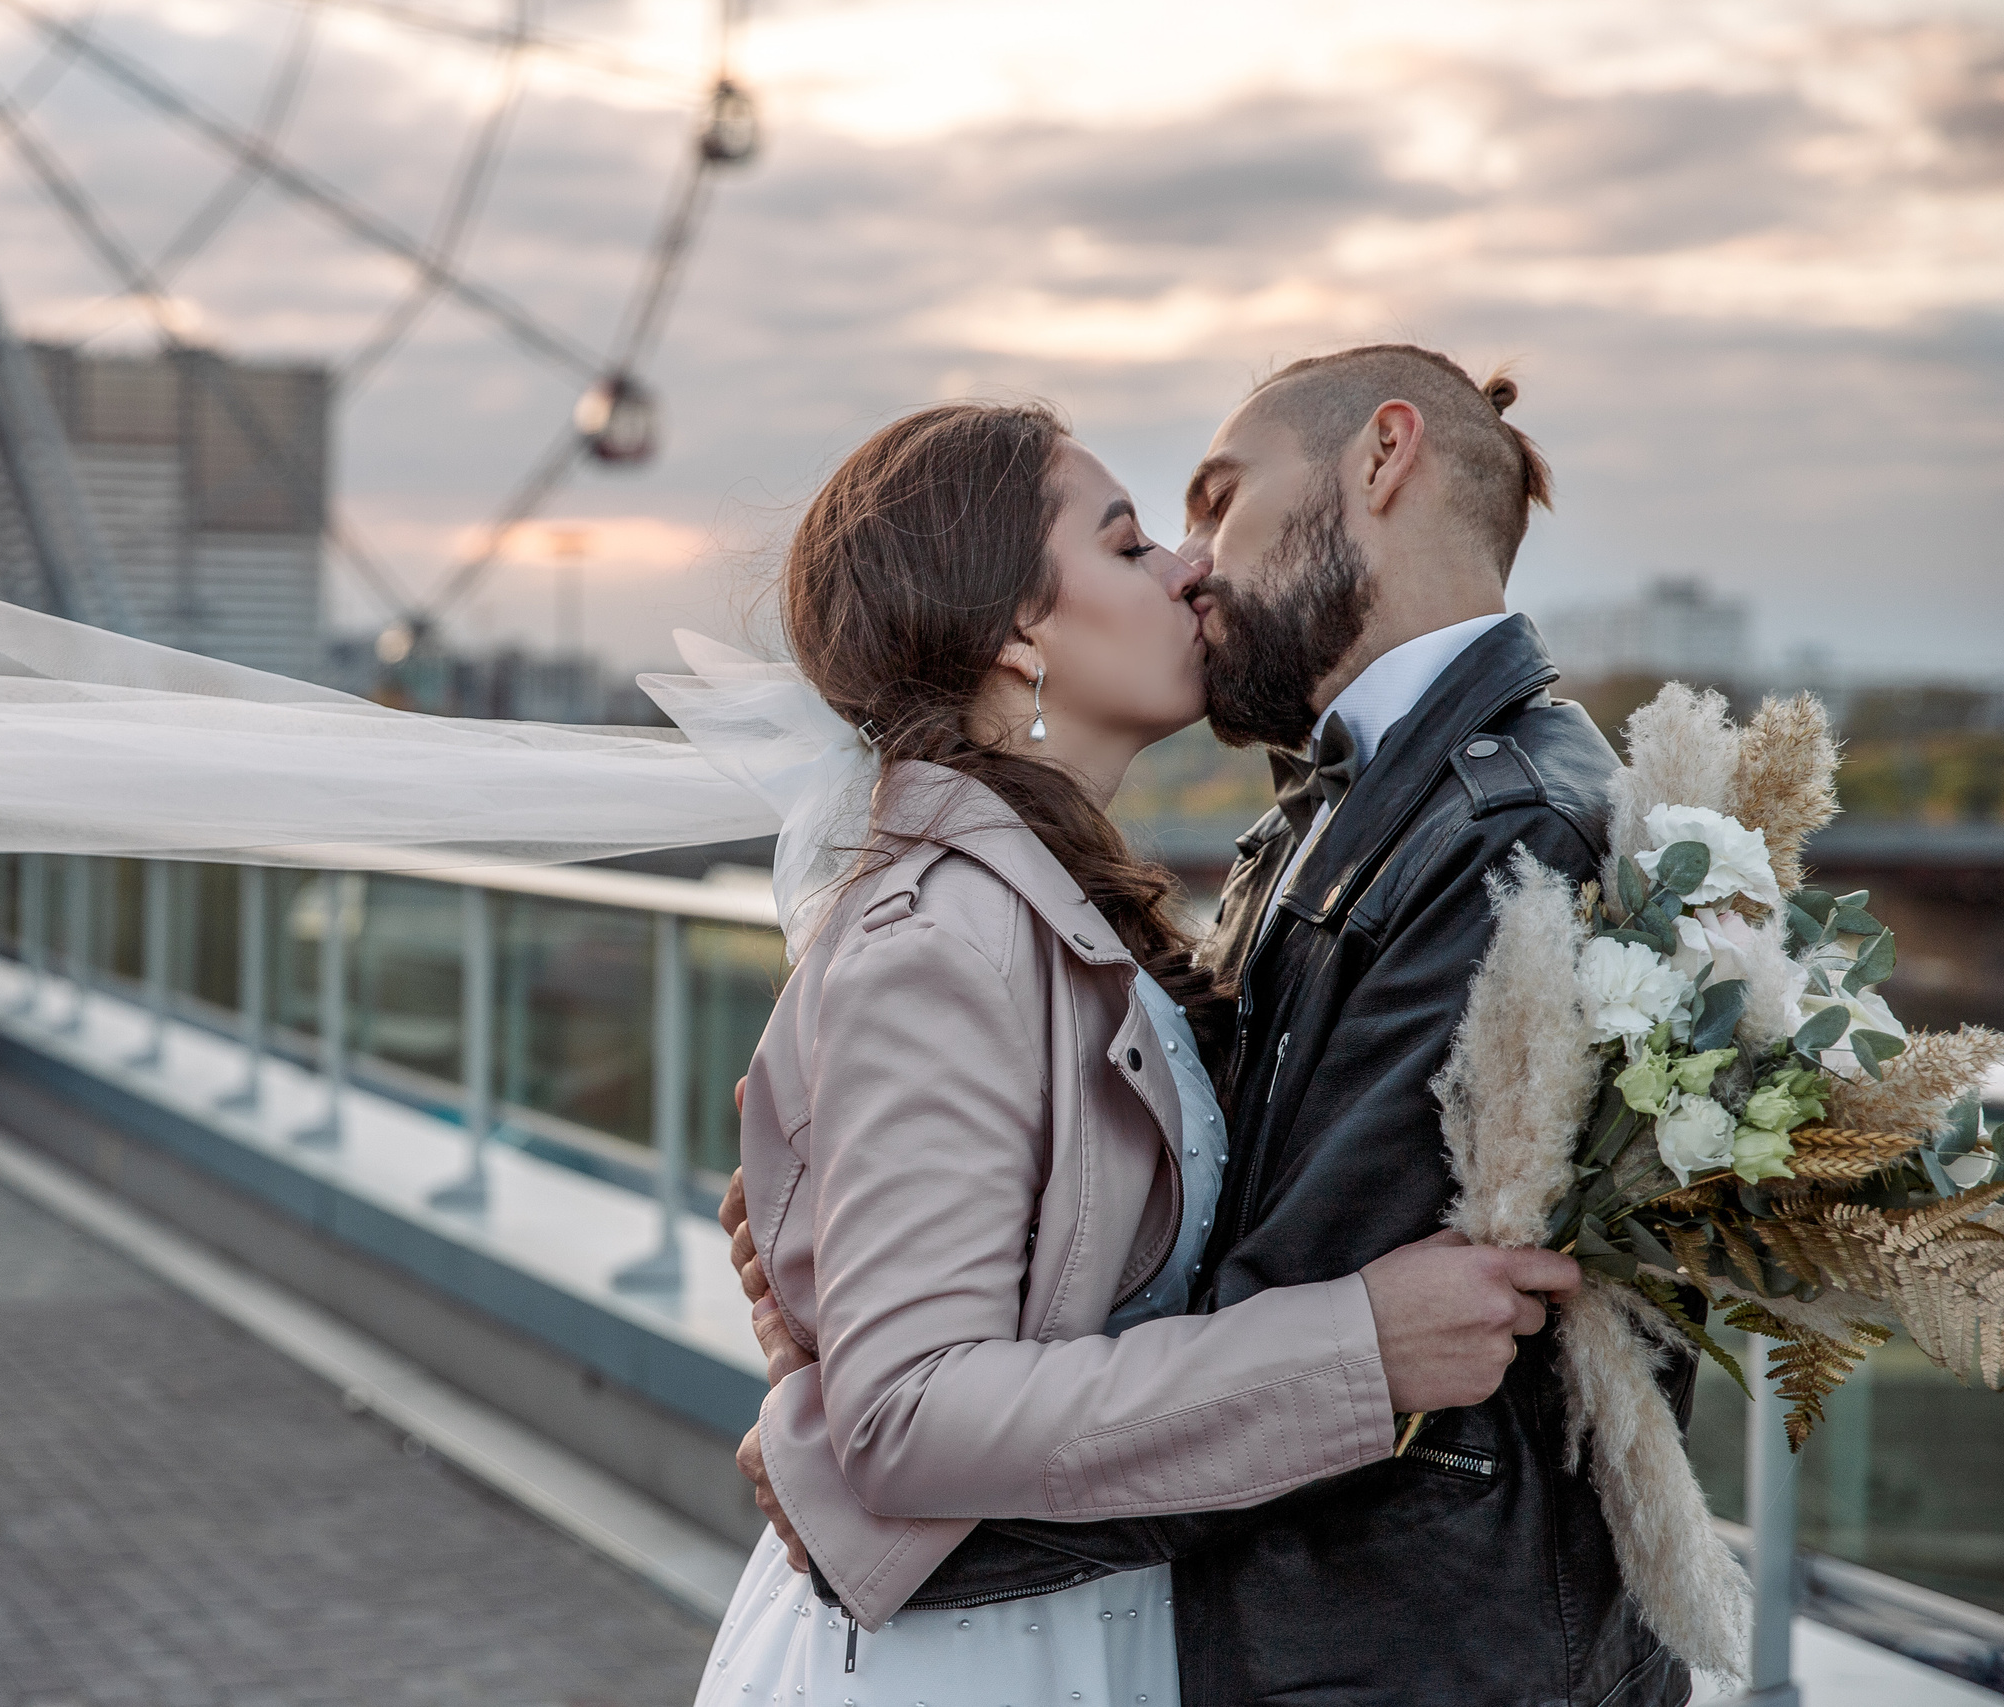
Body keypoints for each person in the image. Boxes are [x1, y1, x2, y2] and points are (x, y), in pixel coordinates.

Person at [725, 348, 1693, 1707]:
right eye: (1133, 541)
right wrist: (853, 1416)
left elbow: (1146, 1291)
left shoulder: (1449, 827)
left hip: (1181, 1632)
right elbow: (925, 1399)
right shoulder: (954, 931)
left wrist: (842, 1433)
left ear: (1381, 458)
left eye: (1209, 509)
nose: (1190, 565)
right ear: (1018, 634)